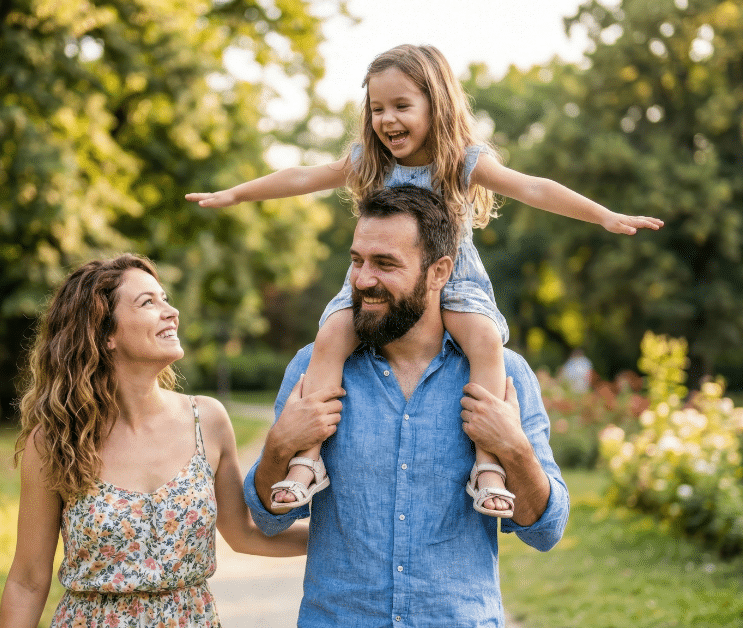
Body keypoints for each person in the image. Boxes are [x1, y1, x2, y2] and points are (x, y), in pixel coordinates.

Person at [187, 43, 660, 518]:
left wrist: (603, 216)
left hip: (453, 277)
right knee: (331, 335)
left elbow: (532, 186)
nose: (387, 119)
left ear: (437, 105)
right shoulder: (370, 163)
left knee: (485, 341)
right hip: (386, 279)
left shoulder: (462, 162)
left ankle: (488, 466)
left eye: (401, 106)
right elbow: (301, 176)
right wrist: (236, 194)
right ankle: (307, 460)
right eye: (377, 108)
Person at [243, 185, 570, 626]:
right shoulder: (316, 367)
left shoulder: (503, 374)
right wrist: (280, 446)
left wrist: (513, 448)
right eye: (357, 260)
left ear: (439, 272)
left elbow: (545, 530)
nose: (362, 280)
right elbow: (270, 518)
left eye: (385, 264)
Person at [0, 254, 308, 628]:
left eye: (165, 298)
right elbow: (28, 582)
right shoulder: (56, 441)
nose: (171, 311)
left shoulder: (207, 421)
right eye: (148, 302)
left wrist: (344, 539)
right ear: (105, 333)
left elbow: (244, 534)